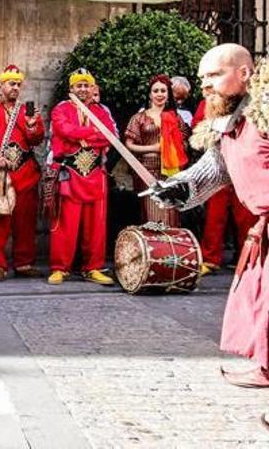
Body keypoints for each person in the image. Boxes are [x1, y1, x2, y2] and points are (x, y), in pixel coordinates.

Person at [149, 45, 269, 420]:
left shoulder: (265, 112)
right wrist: (178, 186)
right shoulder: (229, 121)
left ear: (246, 73)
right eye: (202, 78)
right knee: (262, 303)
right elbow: (214, 168)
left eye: (214, 76)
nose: (205, 85)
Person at [0, 65, 45, 281]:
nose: (15, 88)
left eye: (18, 84)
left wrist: (33, 127)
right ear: (1, 85)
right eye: (11, 84)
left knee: (25, 221)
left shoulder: (25, 110)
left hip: (25, 173)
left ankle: (24, 263)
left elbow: (36, 140)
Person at [46, 69, 116, 286]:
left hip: (95, 175)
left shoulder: (101, 111)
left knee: (96, 226)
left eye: (87, 85)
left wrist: (81, 136)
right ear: (71, 89)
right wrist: (93, 134)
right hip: (70, 175)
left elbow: (110, 135)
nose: (83, 89)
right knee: (65, 224)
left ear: (92, 88)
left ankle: (93, 267)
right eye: (79, 85)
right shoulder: (61, 109)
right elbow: (64, 130)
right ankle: (60, 268)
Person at [190, 104, 258, 276]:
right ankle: (210, 258)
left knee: (246, 215)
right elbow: (198, 126)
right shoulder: (212, 98)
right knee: (215, 213)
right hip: (220, 163)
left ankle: (249, 257)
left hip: (245, 164)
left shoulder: (255, 98)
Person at [123, 74, 191, 226]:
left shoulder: (176, 118)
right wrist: (153, 148)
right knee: (151, 211)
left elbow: (185, 142)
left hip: (171, 171)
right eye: (156, 91)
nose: (159, 94)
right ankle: (153, 248)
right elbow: (129, 144)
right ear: (149, 94)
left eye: (163, 91)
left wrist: (171, 147)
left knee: (170, 211)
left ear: (168, 95)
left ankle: (170, 247)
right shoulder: (139, 118)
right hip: (146, 170)